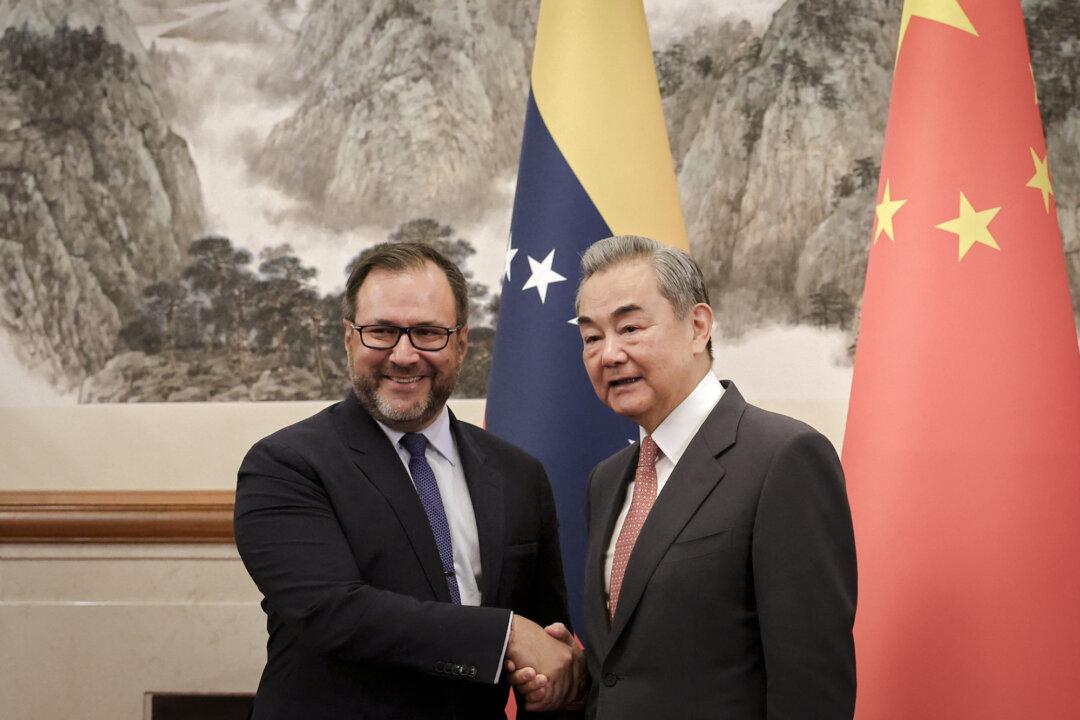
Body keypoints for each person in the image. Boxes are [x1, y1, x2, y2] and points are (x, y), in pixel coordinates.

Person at [235, 242, 584, 719]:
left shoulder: (519, 475)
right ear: (349, 339)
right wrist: (506, 633)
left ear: (461, 344)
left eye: (427, 333)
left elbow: (545, 649)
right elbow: (333, 613)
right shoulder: (285, 465)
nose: (403, 355)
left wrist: (561, 678)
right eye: (380, 331)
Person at [512, 235, 856, 719]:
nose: (608, 354)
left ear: (697, 327)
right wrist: (575, 676)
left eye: (630, 328)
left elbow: (811, 685)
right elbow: (641, 667)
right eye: (591, 337)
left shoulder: (785, 458)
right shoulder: (607, 481)